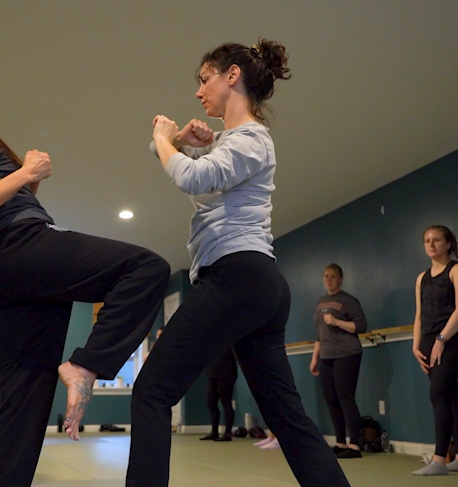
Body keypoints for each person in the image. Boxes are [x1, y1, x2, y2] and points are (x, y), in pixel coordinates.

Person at [0, 49, 170, 487]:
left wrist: (25, 185)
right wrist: (26, 172)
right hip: (20, 247)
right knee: (147, 268)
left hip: (2, 267)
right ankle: (86, 365)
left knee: (24, 396)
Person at [127, 39, 350, 486]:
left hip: (238, 277)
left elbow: (193, 176)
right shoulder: (234, 143)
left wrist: (161, 137)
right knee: (286, 418)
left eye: (203, 78)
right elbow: (204, 188)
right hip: (255, 286)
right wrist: (176, 143)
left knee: (150, 391)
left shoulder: (251, 137)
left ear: (232, 75)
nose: (198, 92)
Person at [411, 225, 458, 476]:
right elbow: (419, 313)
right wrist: (416, 344)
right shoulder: (421, 277)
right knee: (450, 396)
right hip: (428, 341)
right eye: (427, 240)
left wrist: (441, 338)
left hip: (453, 340)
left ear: (448, 243)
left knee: (438, 394)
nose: (431, 244)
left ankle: (439, 459)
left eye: (436, 239)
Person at [309, 264, 367, 458]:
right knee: (331, 399)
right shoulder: (320, 301)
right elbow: (319, 333)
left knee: (345, 397)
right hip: (326, 355)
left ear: (340, 279)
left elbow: (361, 326)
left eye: (333, 276)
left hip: (347, 354)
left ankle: (355, 445)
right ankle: (340, 442)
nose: (329, 280)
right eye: (326, 276)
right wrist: (314, 357)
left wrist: (337, 322)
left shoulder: (348, 301)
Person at [200, 346, 238, 441]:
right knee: (211, 402)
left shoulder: (228, 340)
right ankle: (214, 432)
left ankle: (228, 433)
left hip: (226, 373)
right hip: (212, 373)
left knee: (226, 402)